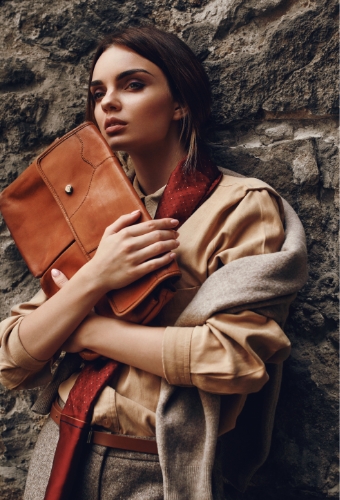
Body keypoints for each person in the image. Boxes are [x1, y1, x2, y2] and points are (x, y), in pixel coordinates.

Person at [0, 25, 307, 500]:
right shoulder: (97, 213)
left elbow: (235, 360)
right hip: (59, 446)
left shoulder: (240, 206)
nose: (108, 103)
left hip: (156, 466)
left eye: (133, 84)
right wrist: (97, 276)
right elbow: (10, 359)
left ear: (180, 102)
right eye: (98, 92)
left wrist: (84, 331)